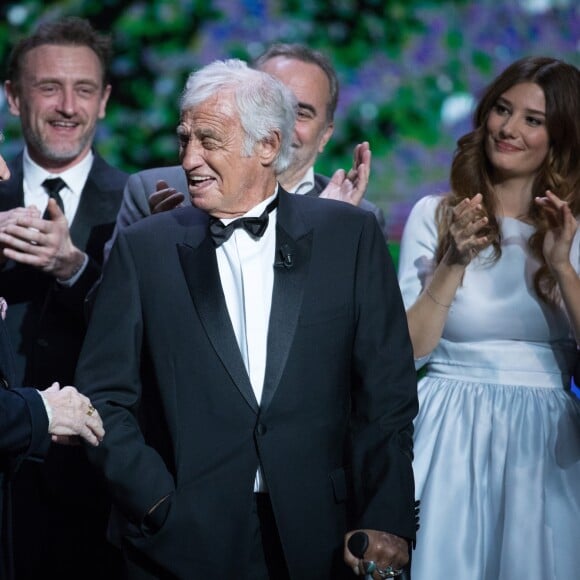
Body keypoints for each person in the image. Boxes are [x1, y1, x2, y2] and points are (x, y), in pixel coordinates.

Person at [75, 58, 418, 579]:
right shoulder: (144, 248)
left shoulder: (350, 238)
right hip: (179, 542)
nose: (189, 159)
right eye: (184, 139)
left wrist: (387, 517)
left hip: (321, 538)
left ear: (267, 146)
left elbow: (385, 397)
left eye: (208, 140)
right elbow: (103, 396)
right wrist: (156, 504)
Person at [397, 56, 580, 580]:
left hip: (545, 443)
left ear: (560, 137)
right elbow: (407, 353)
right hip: (445, 428)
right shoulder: (434, 215)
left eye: (532, 120)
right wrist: (453, 260)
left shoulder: (573, 232)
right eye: (502, 110)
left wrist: (562, 262)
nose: (509, 129)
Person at [0, 17, 127, 579]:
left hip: (97, 492)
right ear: (12, 97)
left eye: (83, 90)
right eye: (49, 87)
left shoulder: (141, 204)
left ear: (103, 101)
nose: (67, 106)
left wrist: (74, 268)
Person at [105, 43, 388, 258]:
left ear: (325, 134)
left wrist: (329, 230)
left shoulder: (359, 218)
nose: (283, 123)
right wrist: (157, 245)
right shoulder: (152, 192)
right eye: (268, 106)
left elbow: (363, 329)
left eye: (300, 113)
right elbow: (108, 312)